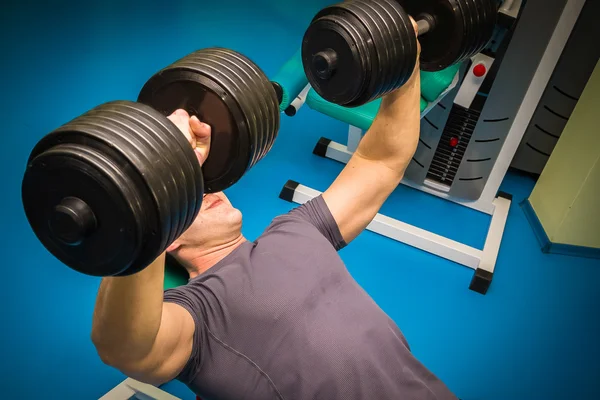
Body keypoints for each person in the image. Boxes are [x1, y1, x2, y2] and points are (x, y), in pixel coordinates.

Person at [91, 32, 457, 400]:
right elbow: (126, 350)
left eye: (203, 186)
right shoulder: (196, 314)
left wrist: (407, 61)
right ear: (169, 235)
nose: (209, 191)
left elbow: (381, 161)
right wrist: (153, 181)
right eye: (189, 198)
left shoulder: (296, 229)